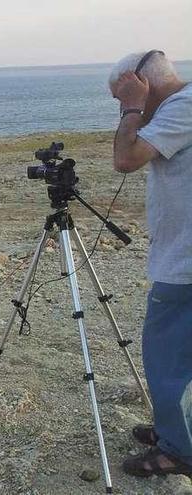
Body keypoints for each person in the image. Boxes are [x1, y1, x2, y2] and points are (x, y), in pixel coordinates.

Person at [108, 50, 192, 478]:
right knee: (177, 357)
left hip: (185, 265)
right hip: (182, 258)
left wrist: (132, 107)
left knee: (167, 359)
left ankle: (177, 450)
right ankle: (174, 431)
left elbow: (126, 159)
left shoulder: (183, 105)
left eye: (120, 92)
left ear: (142, 81)